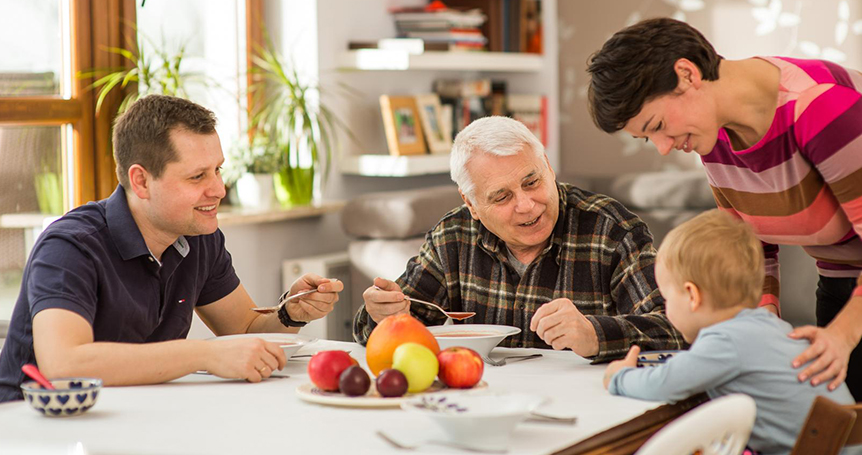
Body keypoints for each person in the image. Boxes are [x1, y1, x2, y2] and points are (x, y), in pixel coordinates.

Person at [0, 95, 343, 404]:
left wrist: (290, 313)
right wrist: (203, 354)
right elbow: (65, 364)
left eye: (218, 170)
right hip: (31, 430)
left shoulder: (199, 236)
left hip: (133, 422)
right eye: (197, 177)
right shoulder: (71, 247)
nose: (219, 189)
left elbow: (245, 328)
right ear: (141, 181)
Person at [587, 17, 862, 399]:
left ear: (687, 74)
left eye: (658, 125)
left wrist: (843, 335)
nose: (663, 147)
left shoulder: (819, 108)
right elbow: (747, 246)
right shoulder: (712, 136)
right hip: (841, 280)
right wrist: (762, 324)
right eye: (647, 138)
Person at [353, 116, 684, 361]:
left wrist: (596, 335)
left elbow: (677, 330)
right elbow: (383, 330)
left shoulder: (612, 231)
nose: (527, 206)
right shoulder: (452, 237)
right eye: (501, 197)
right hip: (476, 405)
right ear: (472, 204)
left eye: (532, 182)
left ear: (549, 168)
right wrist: (382, 316)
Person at [603, 210, 855, 455]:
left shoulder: (725, 341)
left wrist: (619, 376)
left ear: (692, 295)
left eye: (667, 298)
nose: (666, 308)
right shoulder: (773, 327)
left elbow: (664, 384)